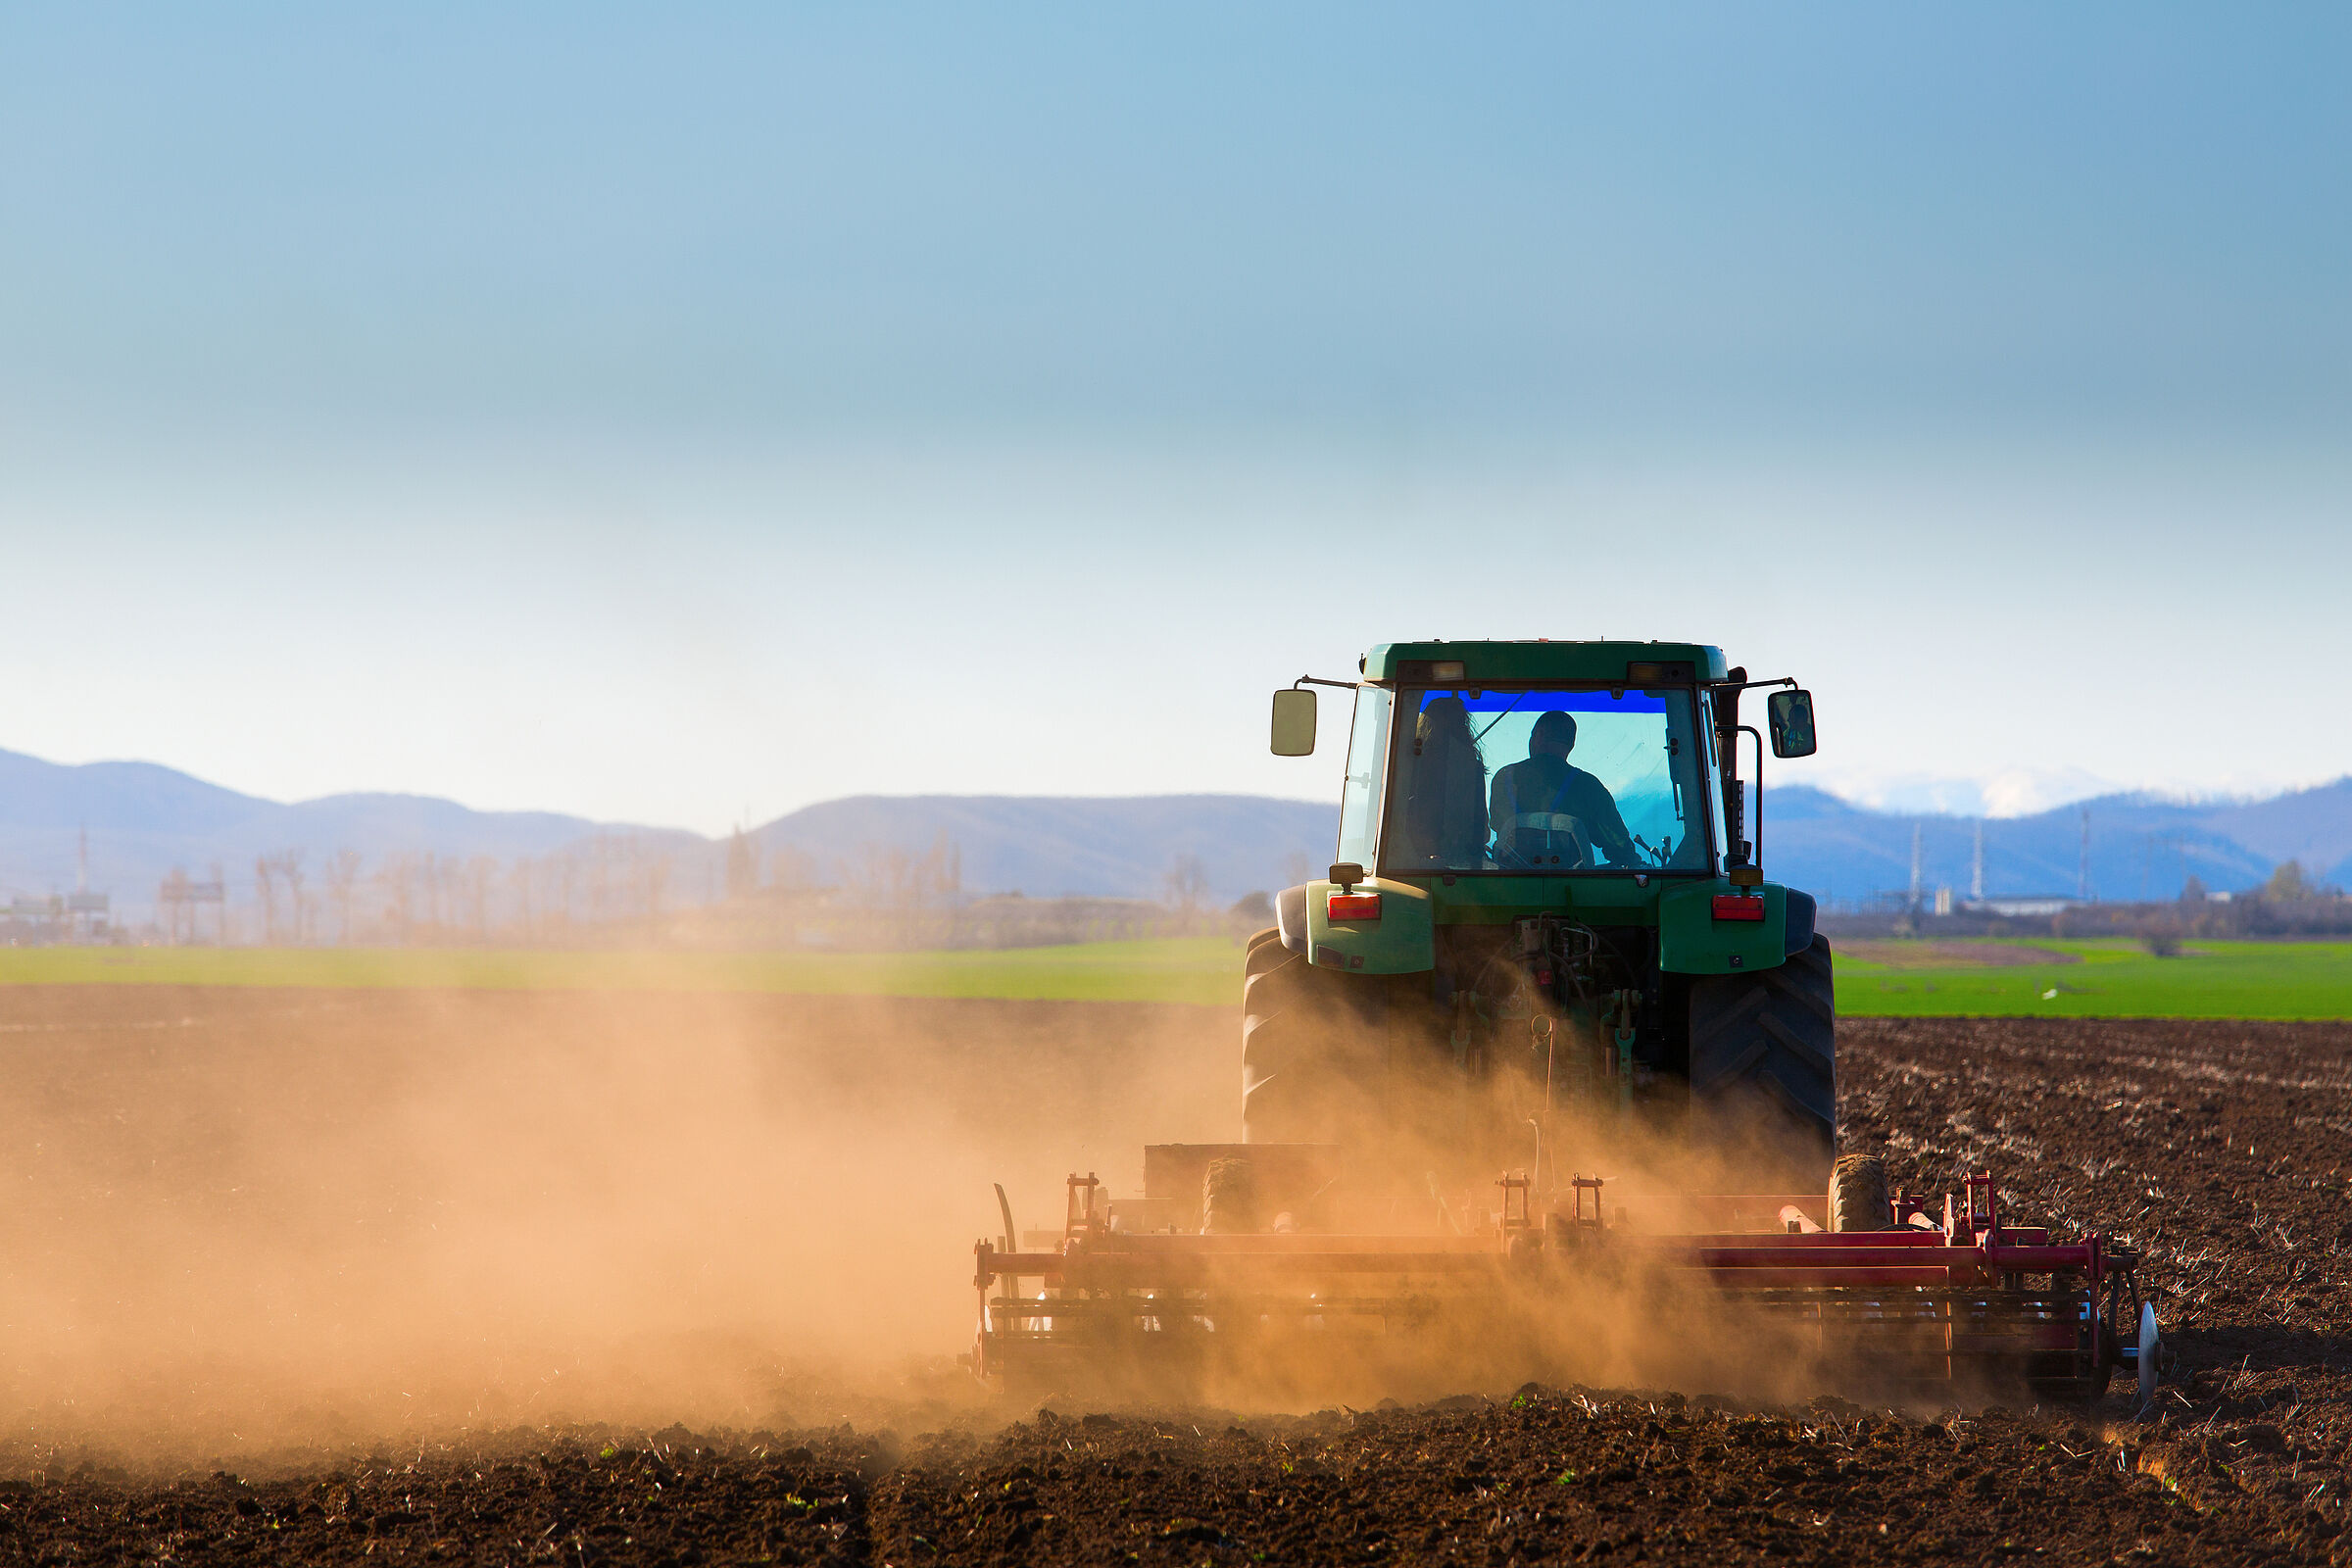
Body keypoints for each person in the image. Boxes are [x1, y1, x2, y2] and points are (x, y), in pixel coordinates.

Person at [1489, 710, 1640, 868]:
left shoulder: (1504, 778)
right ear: (1571, 745)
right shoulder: (1588, 785)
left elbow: (1497, 826)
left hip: (1510, 887)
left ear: (1539, 735)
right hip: (1572, 890)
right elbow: (1619, 846)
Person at [1396, 696, 1490, 868]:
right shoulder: (1472, 767)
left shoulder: (1408, 764)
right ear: (1463, 727)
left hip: (1415, 860)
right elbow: (1483, 830)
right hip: (1467, 863)